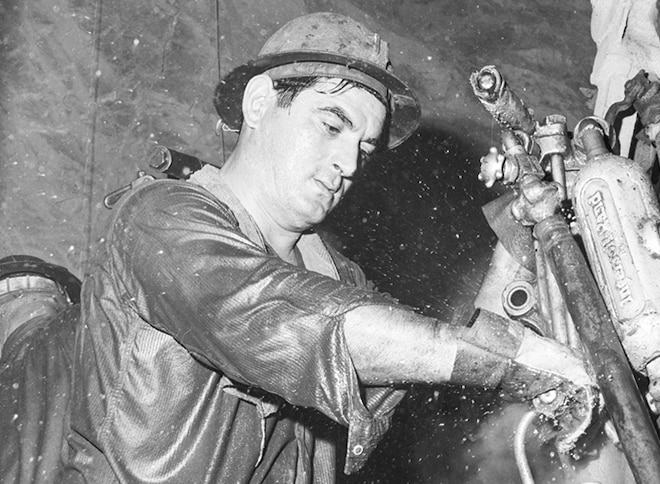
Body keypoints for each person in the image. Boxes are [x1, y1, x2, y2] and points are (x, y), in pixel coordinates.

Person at [0, 12, 599, 483]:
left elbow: (426, 356)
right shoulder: (161, 220)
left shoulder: (335, 276)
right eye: (331, 124)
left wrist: (517, 240)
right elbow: (276, 318)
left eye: (364, 149)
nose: (347, 163)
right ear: (260, 102)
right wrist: (511, 360)